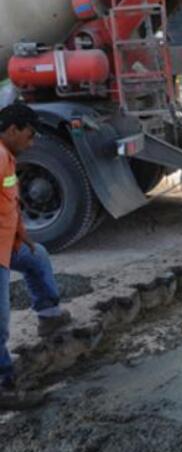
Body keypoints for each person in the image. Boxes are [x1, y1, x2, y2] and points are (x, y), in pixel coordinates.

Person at [0, 103, 72, 408]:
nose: (32, 143)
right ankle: (5, 386)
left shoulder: (8, 157)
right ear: (13, 129)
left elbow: (8, 199)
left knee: (37, 256)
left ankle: (49, 317)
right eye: (29, 136)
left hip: (7, 242)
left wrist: (22, 236)